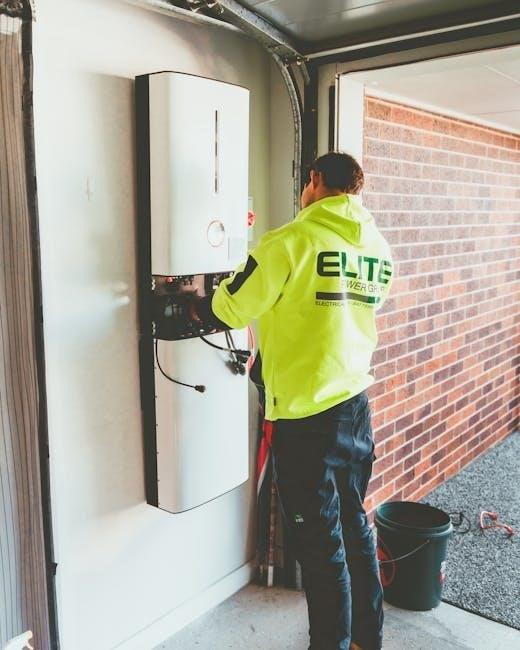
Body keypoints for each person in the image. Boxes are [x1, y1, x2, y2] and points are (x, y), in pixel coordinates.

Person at [187, 152, 392, 650]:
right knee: (354, 526)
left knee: (321, 550)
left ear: (315, 181)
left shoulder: (288, 242)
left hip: (305, 415)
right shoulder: (377, 248)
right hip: (354, 405)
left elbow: (230, 307)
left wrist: (202, 300)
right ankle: (367, 640)